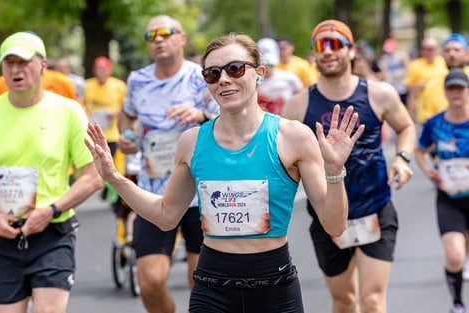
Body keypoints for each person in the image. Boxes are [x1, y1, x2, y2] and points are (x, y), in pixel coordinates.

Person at [86, 33, 364, 313]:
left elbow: (334, 225)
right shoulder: (192, 141)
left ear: (260, 74)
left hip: (274, 285)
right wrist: (114, 178)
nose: (224, 80)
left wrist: (335, 171)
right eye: (212, 73)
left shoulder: (292, 137)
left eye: (235, 69)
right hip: (212, 286)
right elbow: (166, 216)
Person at [282, 19, 416, 313]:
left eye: (335, 44)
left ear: (351, 51)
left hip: (375, 209)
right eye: (320, 45)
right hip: (327, 216)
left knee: (371, 301)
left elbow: (406, 127)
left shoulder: (379, 93)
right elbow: (284, 159)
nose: (327, 51)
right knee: (345, 303)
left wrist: (402, 158)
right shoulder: (298, 105)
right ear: (314, 55)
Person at [117, 15, 219, 313]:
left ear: (182, 38)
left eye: (165, 33)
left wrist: (199, 115)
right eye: (151, 36)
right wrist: (126, 137)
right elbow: (127, 115)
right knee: (149, 281)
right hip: (154, 193)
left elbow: (229, 119)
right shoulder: (138, 80)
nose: (158, 39)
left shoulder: (201, 77)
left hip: (200, 193)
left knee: (200, 283)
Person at [0, 32, 102, 312]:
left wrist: (52, 209)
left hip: (52, 232)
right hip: (3, 235)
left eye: (23, 62)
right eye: (9, 63)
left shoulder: (68, 112)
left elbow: (92, 178)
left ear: (43, 66)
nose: (16, 70)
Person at [415, 68, 469, 313]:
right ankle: (457, 303)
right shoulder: (435, 123)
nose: (456, 93)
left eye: (460, 88)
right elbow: (419, 150)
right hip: (449, 198)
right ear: (446, 91)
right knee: (455, 255)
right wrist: (429, 172)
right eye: (451, 88)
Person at [421, 33, 469, 124]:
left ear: (466, 53)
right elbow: (427, 118)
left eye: (457, 50)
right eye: (447, 50)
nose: (452, 54)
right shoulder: (432, 85)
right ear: (442, 54)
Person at [84, 56, 126, 156]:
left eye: (104, 70)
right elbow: (83, 105)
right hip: (93, 134)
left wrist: (115, 113)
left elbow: (127, 108)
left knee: (110, 164)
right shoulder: (87, 85)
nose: (101, 73)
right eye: (98, 70)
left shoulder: (119, 86)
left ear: (110, 70)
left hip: (112, 135)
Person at [405, 37, 447, 123]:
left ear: (437, 49)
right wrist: (418, 86)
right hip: (425, 113)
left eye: (431, 49)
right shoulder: (414, 65)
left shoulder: (442, 61)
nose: (427, 52)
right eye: (424, 49)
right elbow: (407, 87)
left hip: (443, 110)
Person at [256, 37, 302, 115]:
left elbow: (301, 98)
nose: (267, 68)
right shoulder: (253, 81)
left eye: (270, 65)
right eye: (264, 65)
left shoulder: (290, 78)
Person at [378, 38, 409, 106]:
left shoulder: (401, 56)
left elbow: (408, 69)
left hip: (401, 88)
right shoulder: (384, 59)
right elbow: (383, 73)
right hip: (391, 87)